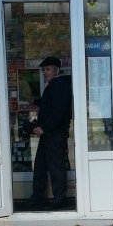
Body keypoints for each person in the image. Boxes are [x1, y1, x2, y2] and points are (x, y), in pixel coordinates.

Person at [29, 56, 73, 210]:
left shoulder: (60, 86)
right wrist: (36, 102)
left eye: (48, 69)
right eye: (43, 70)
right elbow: (49, 105)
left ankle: (59, 199)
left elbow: (59, 112)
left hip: (54, 135)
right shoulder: (54, 85)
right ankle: (37, 197)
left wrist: (44, 128)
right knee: (40, 167)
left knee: (56, 168)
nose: (45, 72)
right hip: (48, 134)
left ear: (57, 70)